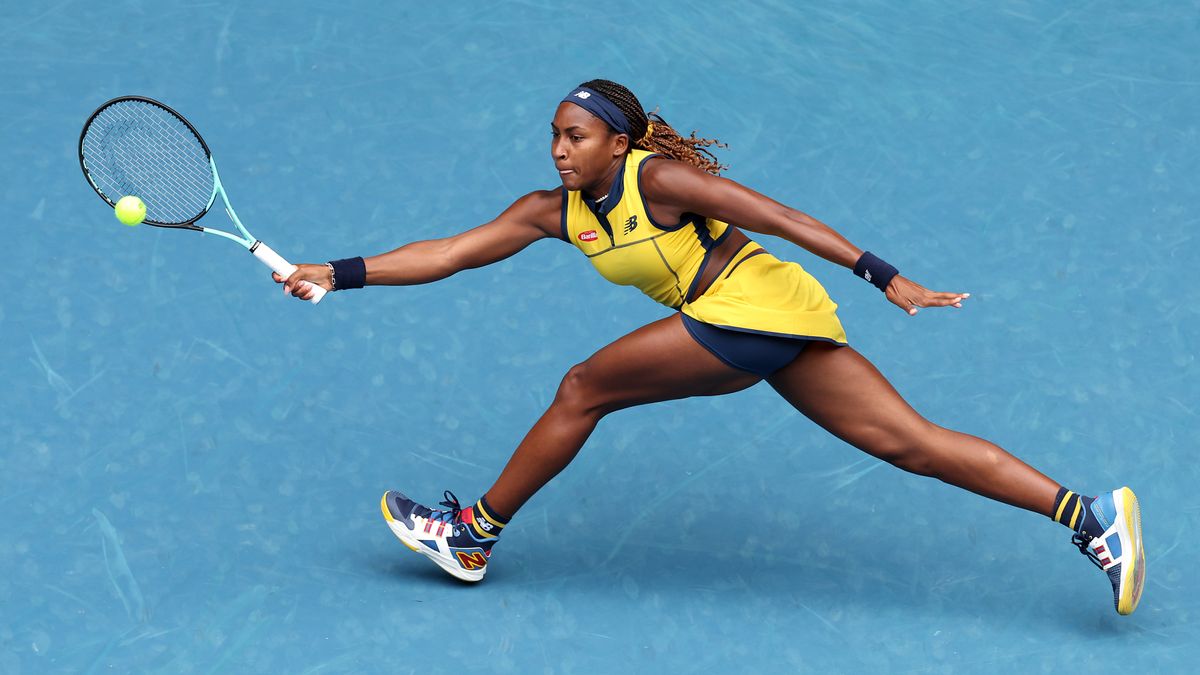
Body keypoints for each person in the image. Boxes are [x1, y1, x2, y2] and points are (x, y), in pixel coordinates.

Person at [275, 79, 1144, 615]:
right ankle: (1091, 517)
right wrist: (336, 271)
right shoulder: (551, 211)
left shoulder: (661, 179)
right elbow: (449, 253)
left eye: (575, 136)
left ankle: (472, 535)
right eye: (553, 135)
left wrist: (887, 276)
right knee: (906, 442)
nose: (558, 149)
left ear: (620, 141)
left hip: (753, 305)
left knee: (584, 386)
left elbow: (782, 218)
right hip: (766, 317)